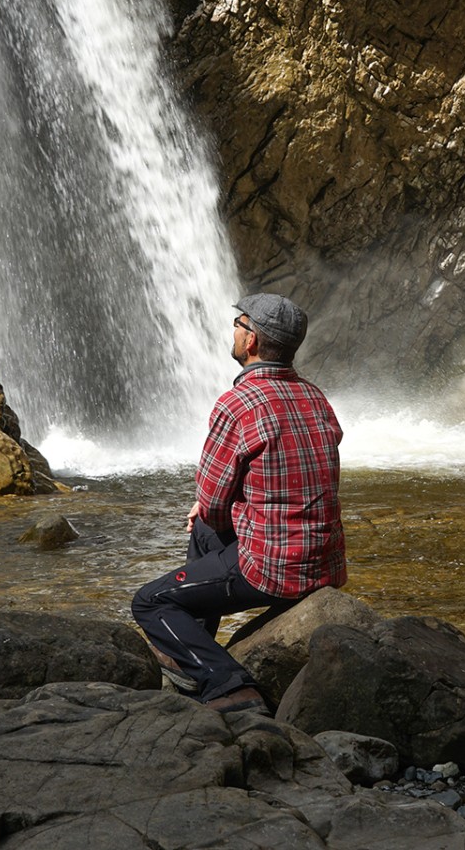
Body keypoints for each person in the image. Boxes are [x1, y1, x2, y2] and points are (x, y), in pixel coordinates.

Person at [131, 293, 345, 715]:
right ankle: (198, 647)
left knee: (150, 601)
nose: (233, 329)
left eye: (239, 323)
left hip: (272, 568)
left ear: (252, 342)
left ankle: (227, 684)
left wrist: (208, 512)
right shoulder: (316, 396)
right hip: (324, 563)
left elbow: (211, 501)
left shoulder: (238, 404)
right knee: (207, 528)